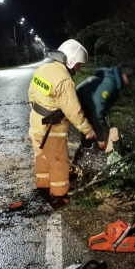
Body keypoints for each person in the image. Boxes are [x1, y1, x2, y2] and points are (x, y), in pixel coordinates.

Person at [28, 39, 96, 203]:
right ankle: (59, 195)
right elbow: (73, 111)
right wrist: (88, 130)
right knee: (58, 162)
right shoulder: (65, 80)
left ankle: (43, 186)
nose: (79, 68)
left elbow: (31, 94)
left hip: (36, 124)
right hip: (53, 130)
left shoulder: (43, 69)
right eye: (78, 64)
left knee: (41, 157)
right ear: (70, 61)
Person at [76, 63, 135, 149]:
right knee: (93, 135)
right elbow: (98, 108)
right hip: (81, 105)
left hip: (87, 106)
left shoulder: (113, 81)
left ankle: (85, 151)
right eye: (130, 80)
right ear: (124, 75)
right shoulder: (109, 83)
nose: (130, 83)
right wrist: (100, 135)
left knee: (94, 134)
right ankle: (85, 155)